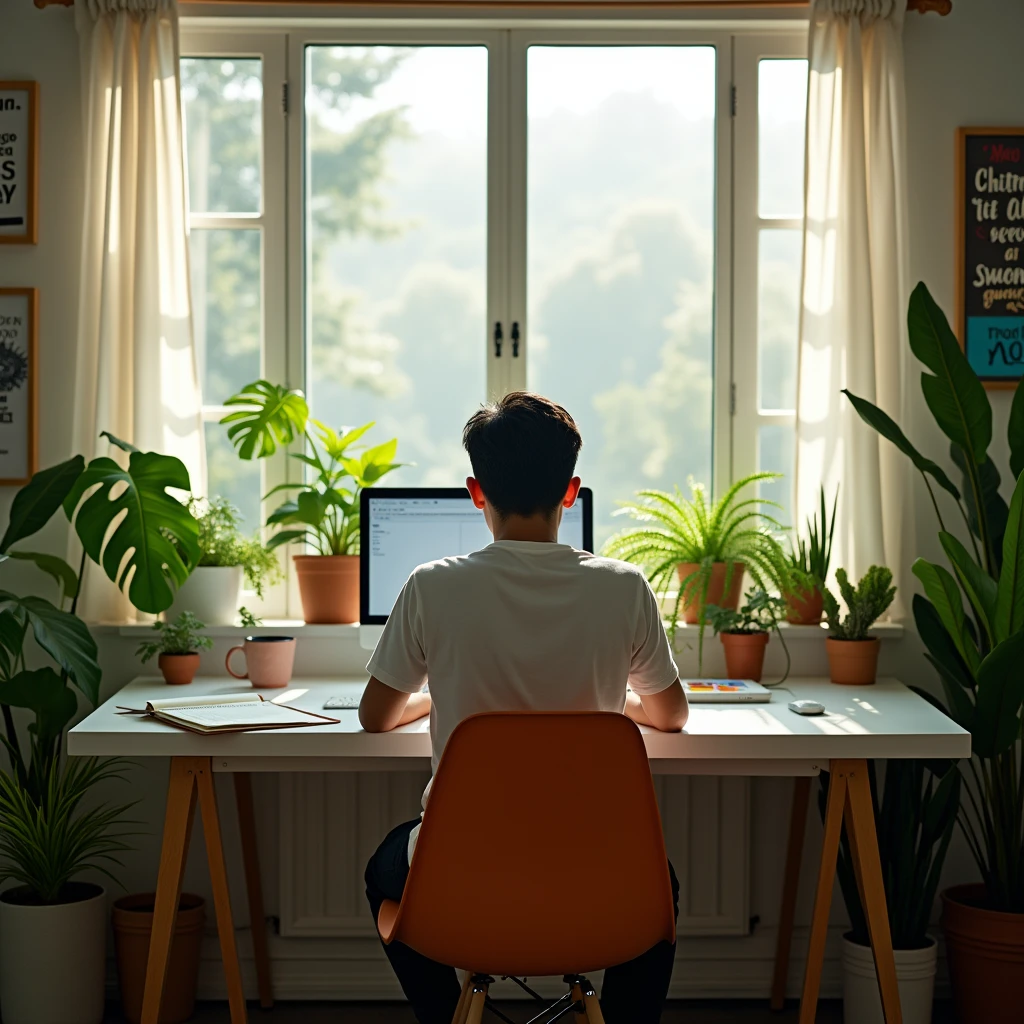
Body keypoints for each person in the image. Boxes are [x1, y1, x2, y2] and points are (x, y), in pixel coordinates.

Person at [360, 391, 688, 1024]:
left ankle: (446, 1014)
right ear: (571, 492)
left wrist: (439, 694)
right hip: (598, 883)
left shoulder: (432, 585)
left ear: (476, 492)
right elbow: (671, 715)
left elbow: (376, 716)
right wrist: (610, 700)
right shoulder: (624, 588)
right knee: (658, 886)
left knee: (382, 869)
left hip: (463, 888)